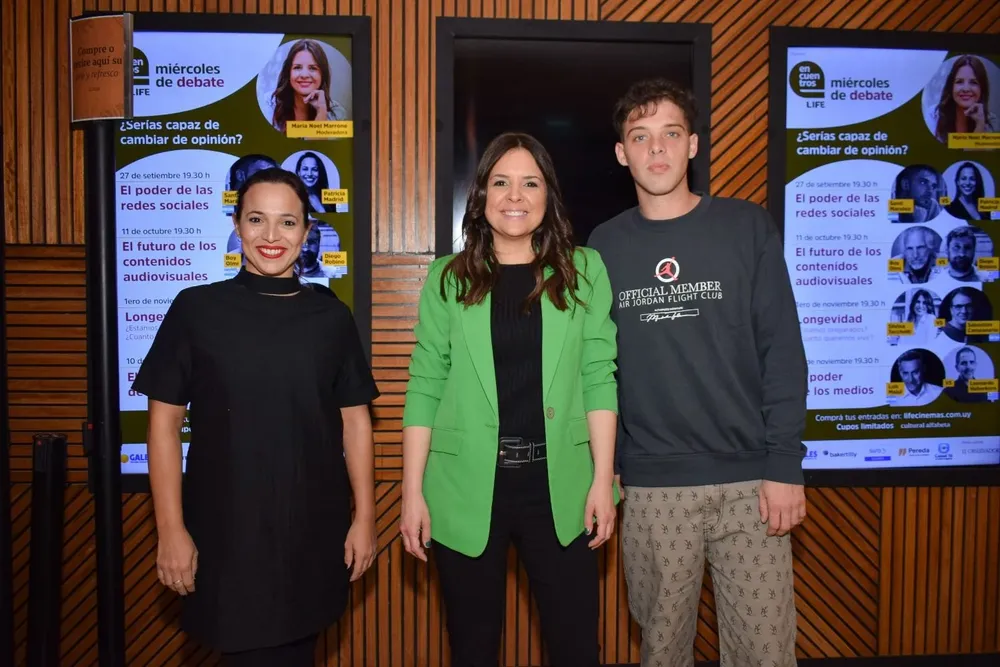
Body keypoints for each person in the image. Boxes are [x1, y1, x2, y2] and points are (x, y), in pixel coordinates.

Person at [587, 78, 808, 667]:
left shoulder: (746, 227)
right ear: (621, 152)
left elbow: (782, 348)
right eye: (640, 137)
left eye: (670, 135)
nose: (655, 150)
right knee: (662, 653)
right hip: (654, 488)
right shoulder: (602, 248)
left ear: (692, 146)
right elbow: (594, 370)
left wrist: (785, 464)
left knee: (765, 655)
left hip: (752, 486)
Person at [132, 167, 380, 666]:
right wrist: (171, 530)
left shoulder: (331, 318)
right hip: (227, 537)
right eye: (256, 220)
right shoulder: (196, 309)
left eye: (287, 223)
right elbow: (161, 426)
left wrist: (367, 519)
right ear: (237, 226)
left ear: (307, 233)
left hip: (313, 534)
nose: (272, 236)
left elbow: (356, 423)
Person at [399, 131, 619, 667]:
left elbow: (600, 376)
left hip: (561, 486)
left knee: (575, 650)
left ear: (548, 199)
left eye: (529, 183)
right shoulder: (446, 280)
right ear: (481, 196)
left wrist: (601, 478)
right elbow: (424, 385)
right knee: (473, 649)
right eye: (501, 182)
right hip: (464, 487)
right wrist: (411, 493)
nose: (514, 196)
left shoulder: (583, 270)